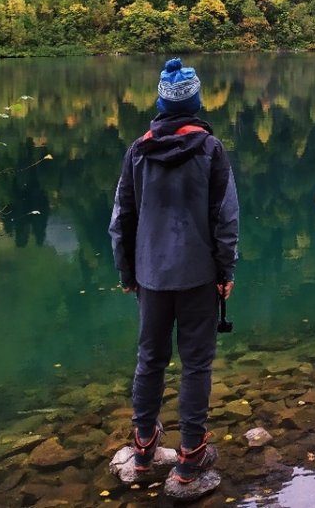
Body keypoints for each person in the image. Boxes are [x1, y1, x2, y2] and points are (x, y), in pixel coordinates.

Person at [109, 57, 240, 485]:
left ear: (161, 103)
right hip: (200, 275)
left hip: (150, 275)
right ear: (197, 102)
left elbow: (121, 219)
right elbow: (226, 219)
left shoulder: (138, 151)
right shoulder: (210, 150)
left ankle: (144, 448)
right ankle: (190, 457)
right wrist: (226, 271)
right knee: (196, 364)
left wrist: (127, 273)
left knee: (150, 359)